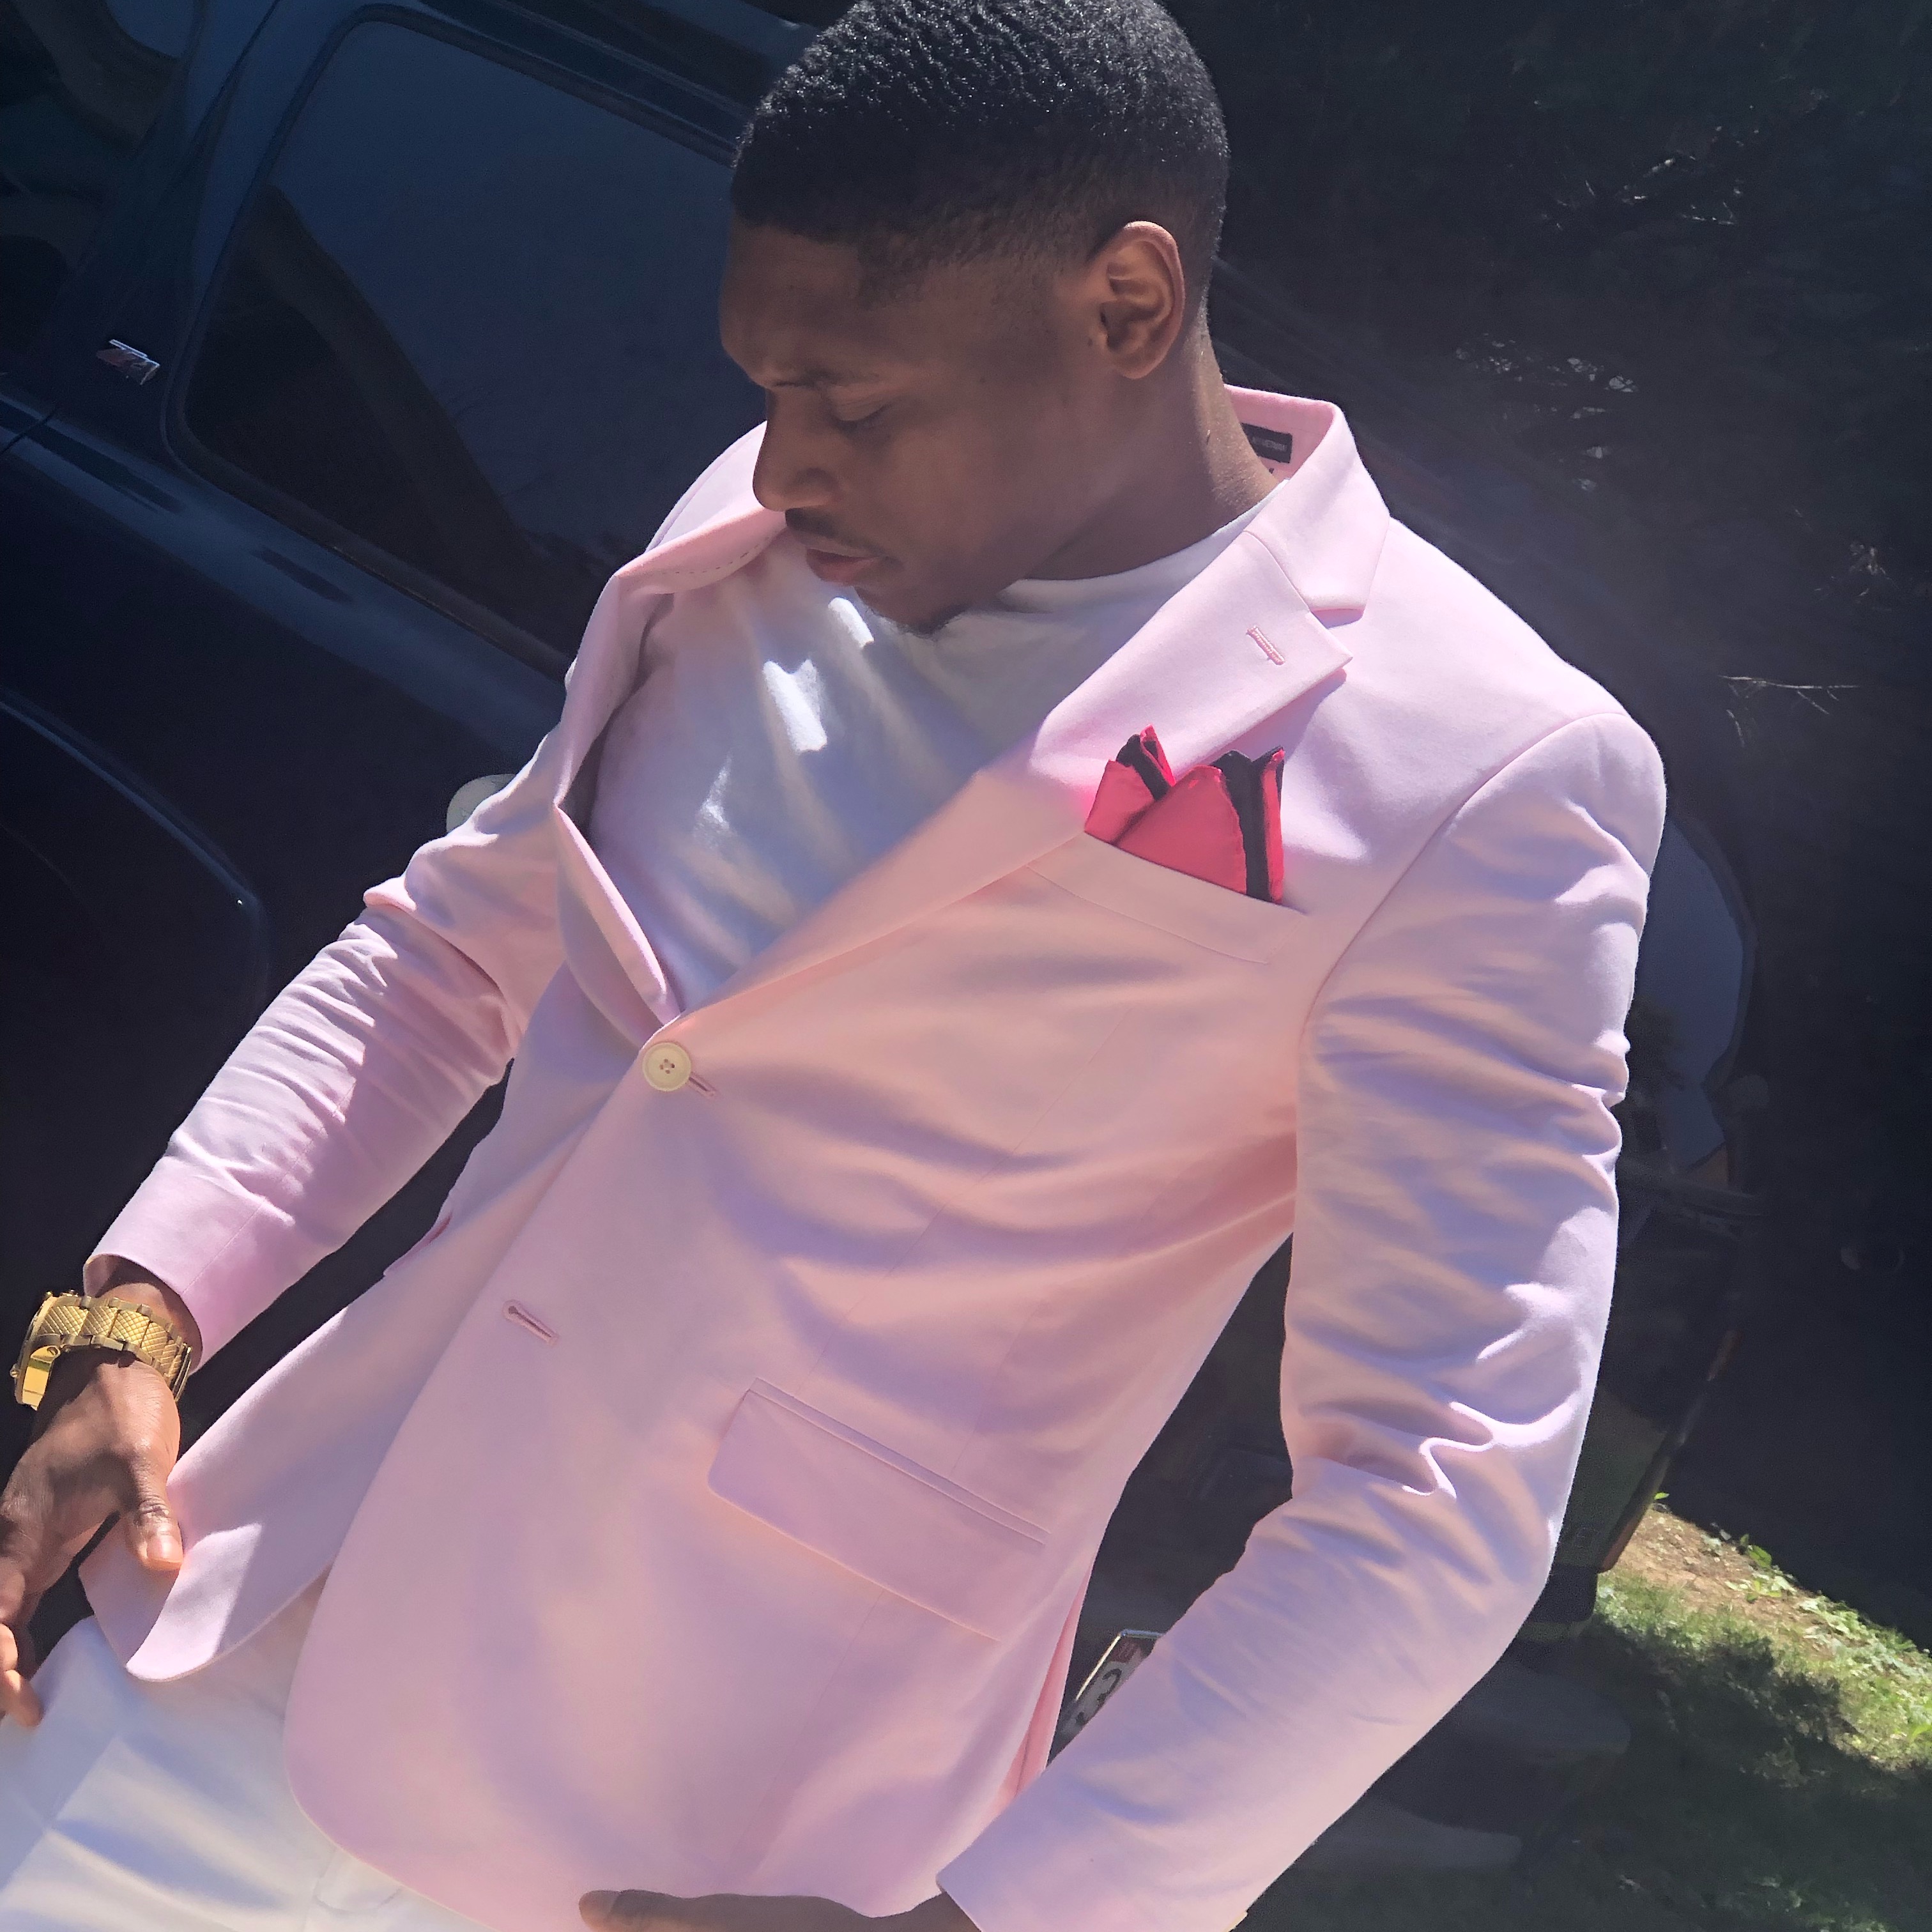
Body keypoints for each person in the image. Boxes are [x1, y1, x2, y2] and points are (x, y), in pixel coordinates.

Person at [0, 1, 1665, 1928]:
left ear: (1129, 303)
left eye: (856, 407)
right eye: (769, 392)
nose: (785, 463)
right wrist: (140, 1313)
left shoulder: (1482, 772)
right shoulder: (749, 534)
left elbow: (1437, 1482)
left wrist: (1003, 1919)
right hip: (250, 1633)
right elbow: (457, 945)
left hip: (713, 1832)